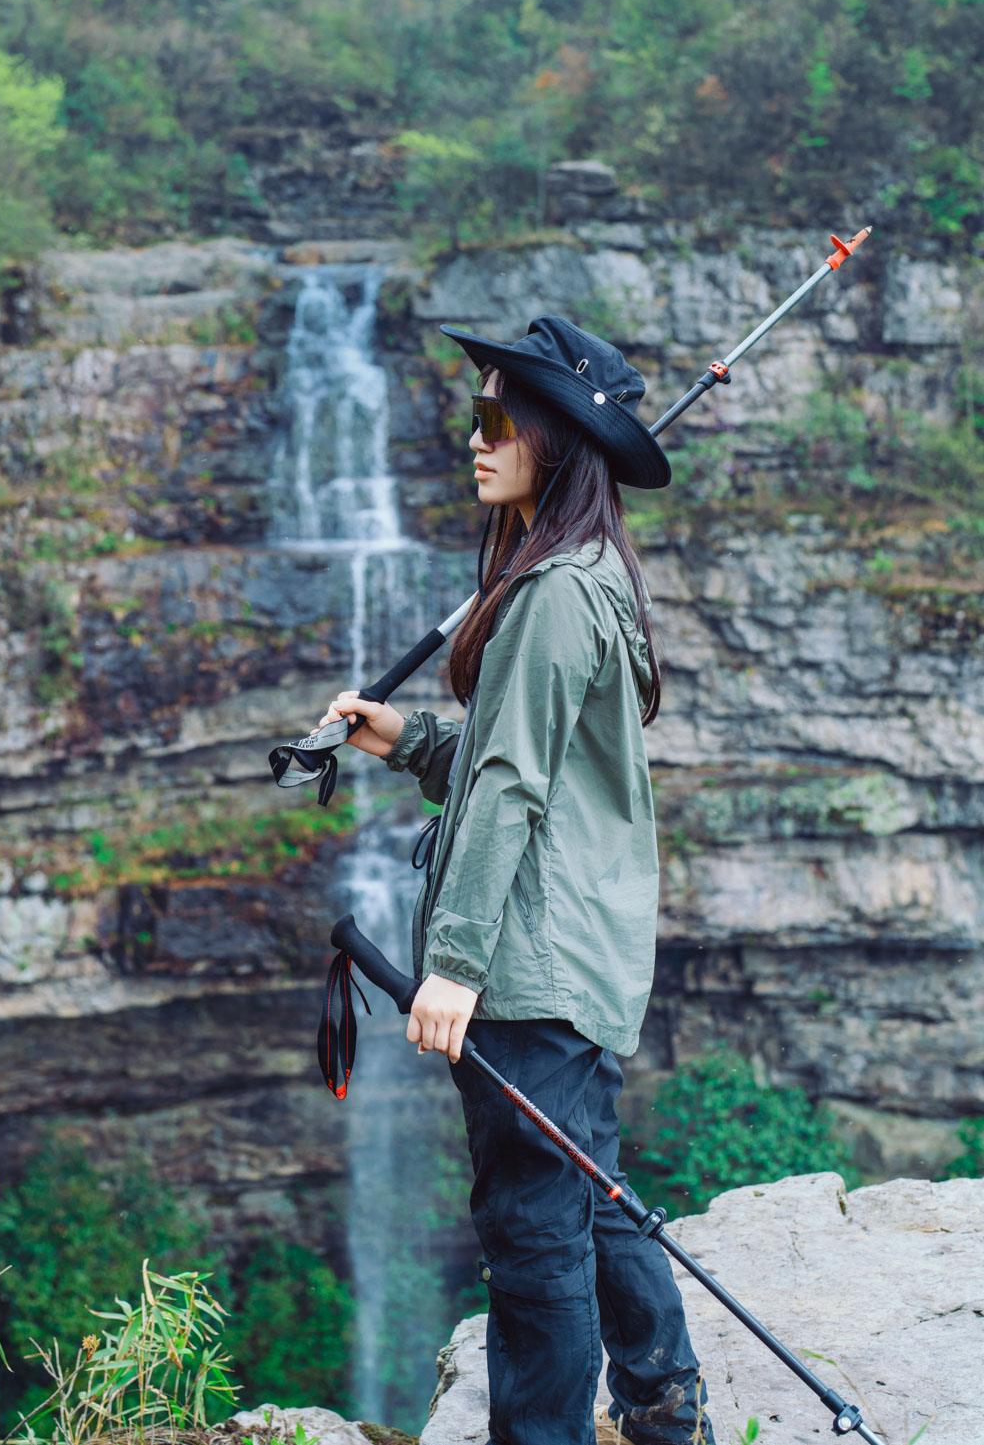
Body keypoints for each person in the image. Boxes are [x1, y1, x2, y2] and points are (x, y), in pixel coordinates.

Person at [318, 314, 715, 1445]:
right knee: (587, 1182)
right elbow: (527, 758)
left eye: (494, 416)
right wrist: (405, 738)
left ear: (554, 433)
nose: (474, 437)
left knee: (531, 1226)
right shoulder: (587, 575)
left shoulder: (550, 596)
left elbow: (507, 786)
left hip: (527, 962)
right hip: (574, 947)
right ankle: (663, 1400)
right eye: (476, 413)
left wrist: (452, 965)